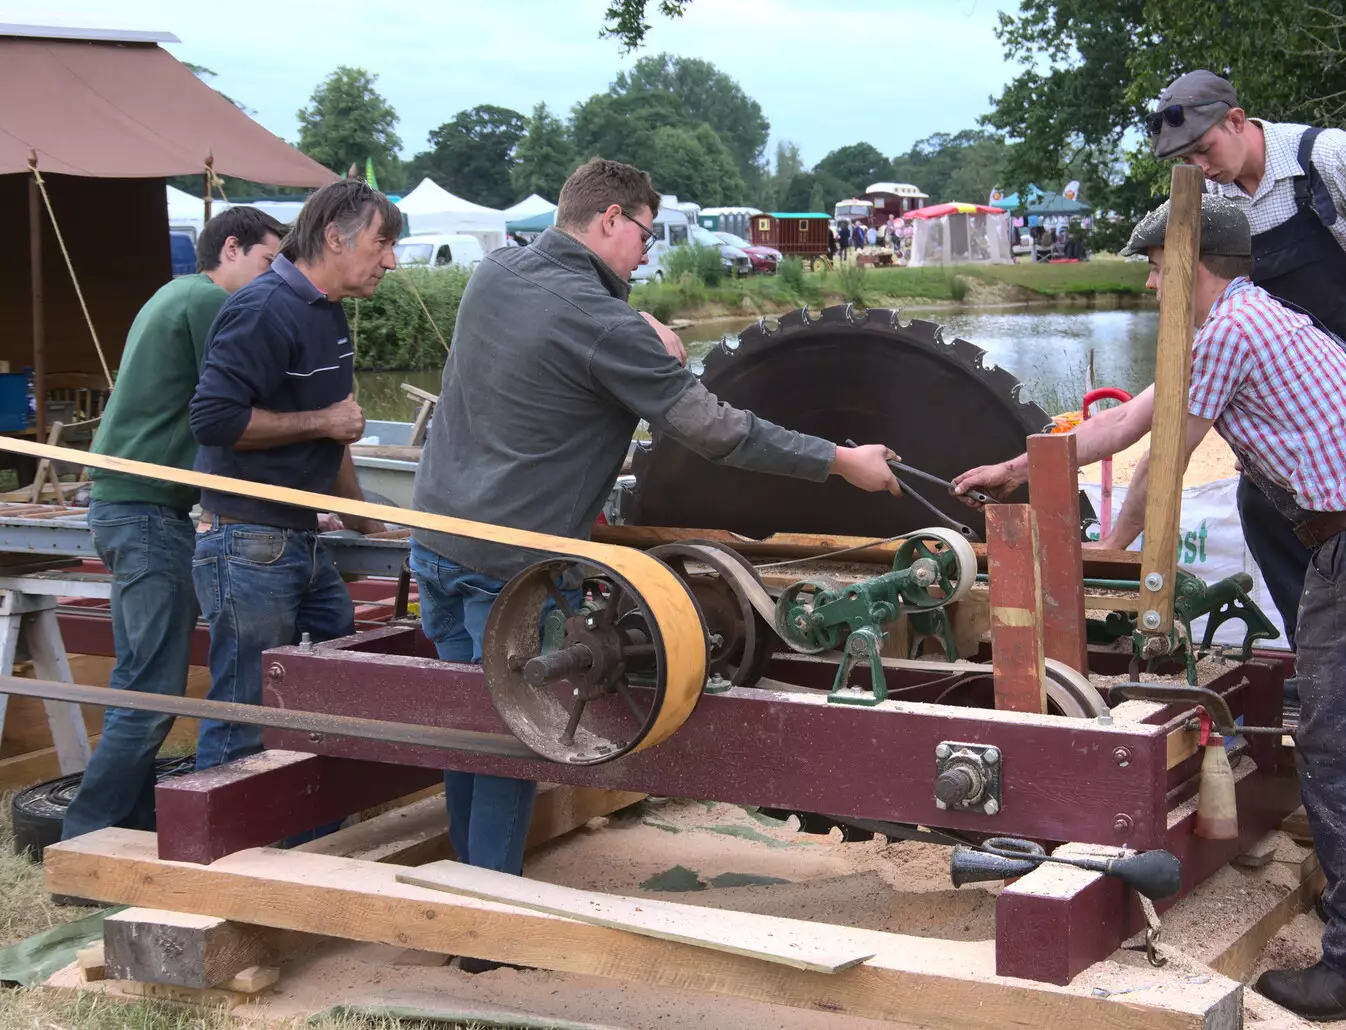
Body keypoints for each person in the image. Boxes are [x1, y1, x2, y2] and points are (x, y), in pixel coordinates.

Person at [953, 196, 1346, 1023]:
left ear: (1194, 264)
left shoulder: (1227, 331)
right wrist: (1016, 466)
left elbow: (1162, 464)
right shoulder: (1251, 320)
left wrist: (1104, 562)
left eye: (1156, 266)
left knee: (1340, 747)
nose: (1151, 283)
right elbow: (1123, 426)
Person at [406, 158, 902, 925]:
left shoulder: (496, 273)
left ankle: (468, 886)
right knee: (511, 740)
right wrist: (842, 462)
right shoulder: (606, 327)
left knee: (463, 730)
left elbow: (559, 327)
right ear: (609, 219)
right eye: (642, 233)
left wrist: (636, 326)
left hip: (436, 539)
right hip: (507, 568)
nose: (647, 251)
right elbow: (714, 431)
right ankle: (487, 924)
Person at [1147, 69, 1346, 645]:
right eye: (1188, 158)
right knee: (1262, 509)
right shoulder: (1213, 200)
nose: (1202, 167)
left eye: (1205, 149)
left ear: (1236, 120)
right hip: (1285, 380)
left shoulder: (1328, 159)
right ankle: (1316, 653)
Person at [60, 207, 286, 842]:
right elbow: (240, 408)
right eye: (269, 263)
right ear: (232, 249)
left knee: (143, 671)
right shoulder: (209, 302)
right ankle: (87, 835)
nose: (273, 280)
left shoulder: (173, 292)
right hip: (147, 508)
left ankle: (129, 818)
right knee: (152, 685)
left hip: (133, 503)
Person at [188, 180, 398, 770]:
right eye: (381, 243)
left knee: (329, 679)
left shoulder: (327, 313)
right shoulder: (262, 308)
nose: (391, 259)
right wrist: (323, 420)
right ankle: (217, 850)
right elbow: (212, 419)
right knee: (244, 709)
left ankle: (308, 837)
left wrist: (363, 515)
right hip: (247, 539)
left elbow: (340, 431)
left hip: (297, 538)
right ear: (335, 237)